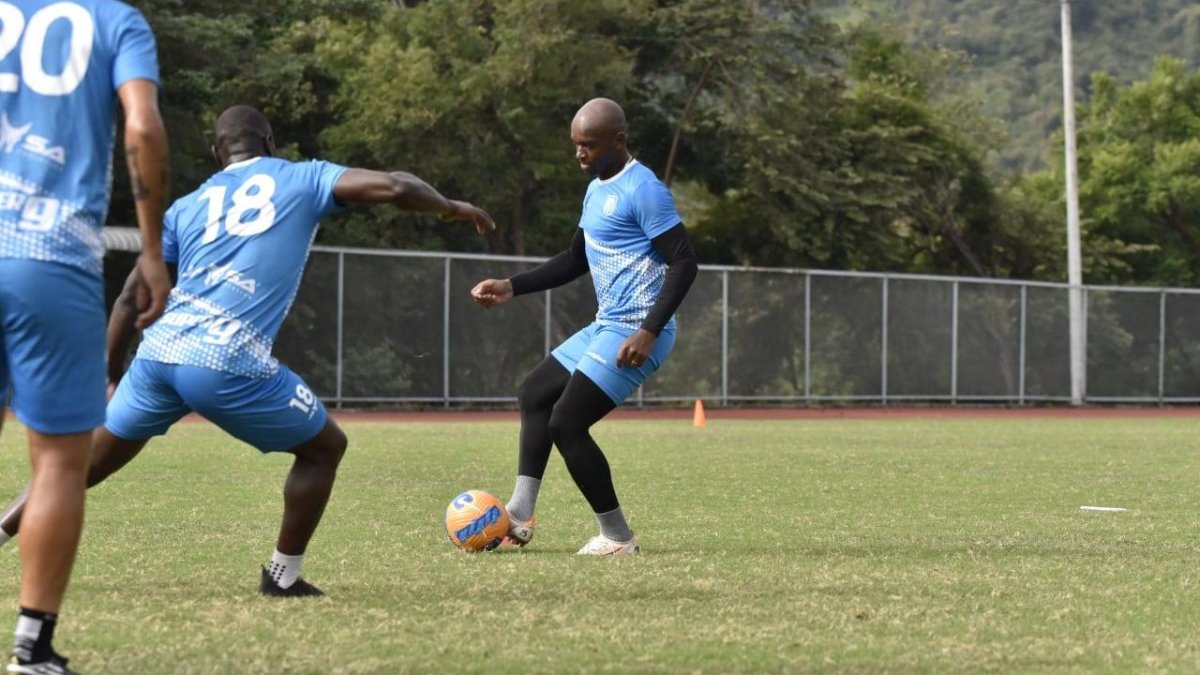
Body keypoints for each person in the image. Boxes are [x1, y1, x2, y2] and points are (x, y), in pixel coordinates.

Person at [0, 105, 495, 599]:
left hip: (156, 358)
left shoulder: (186, 207)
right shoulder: (303, 178)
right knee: (325, 448)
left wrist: (109, 370)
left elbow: (132, 295)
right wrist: (448, 207)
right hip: (223, 360)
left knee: (75, 467)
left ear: (219, 153)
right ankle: (282, 577)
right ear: (271, 143)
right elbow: (394, 186)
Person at [0, 0, 171, 671]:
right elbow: (144, 125)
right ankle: (32, 646)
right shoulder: (114, 21)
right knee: (60, 462)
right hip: (50, 253)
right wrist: (151, 250)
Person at [470, 98, 698, 556]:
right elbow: (576, 259)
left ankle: (618, 538)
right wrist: (512, 286)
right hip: (606, 325)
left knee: (567, 423)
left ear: (618, 140)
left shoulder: (644, 189)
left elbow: (684, 262)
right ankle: (519, 514)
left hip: (637, 331)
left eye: (589, 145)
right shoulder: (596, 188)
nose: (580, 153)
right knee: (534, 393)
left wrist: (649, 329)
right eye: (576, 145)